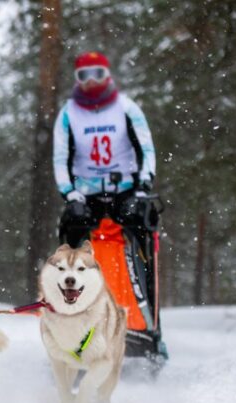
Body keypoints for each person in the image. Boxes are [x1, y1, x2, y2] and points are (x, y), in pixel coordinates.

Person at [51, 51, 167, 364]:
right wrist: (70, 194)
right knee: (71, 245)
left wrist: (142, 187)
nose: (92, 82)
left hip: (125, 191)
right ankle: (71, 329)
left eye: (98, 74)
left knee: (141, 238)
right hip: (85, 196)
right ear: (77, 79)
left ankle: (147, 328)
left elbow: (146, 149)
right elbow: (61, 158)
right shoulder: (68, 114)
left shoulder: (126, 108)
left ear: (108, 74)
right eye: (84, 75)